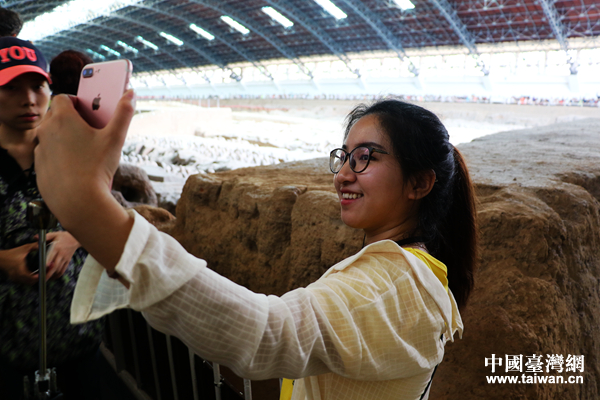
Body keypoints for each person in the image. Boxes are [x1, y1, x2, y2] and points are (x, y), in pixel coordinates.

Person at [35, 89, 477, 399]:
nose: (343, 173)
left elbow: (268, 334)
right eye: (344, 157)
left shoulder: (392, 284)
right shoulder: (403, 271)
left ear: (419, 182)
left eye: (365, 157)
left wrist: (94, 213)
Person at [0, 37, 107, 399]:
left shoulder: (74, 151)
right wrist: (4, 261)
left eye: (36, 85)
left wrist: (75, 235)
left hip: (79, 337)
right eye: (10, 88)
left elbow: (111, 215)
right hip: (7, 350)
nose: (28, 99)